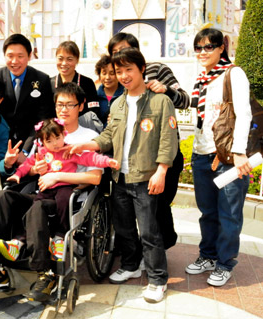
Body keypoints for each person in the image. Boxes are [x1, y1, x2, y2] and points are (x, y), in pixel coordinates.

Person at [0, 82, 103, 302]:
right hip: (42, 193)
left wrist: (57, 176)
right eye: (60, 104)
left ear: (81, 106)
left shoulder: (89, 137)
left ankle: (46, 274)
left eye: (70, 104)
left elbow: (95, 177)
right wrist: (32, 169)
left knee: (38, 206)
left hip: (69, 199)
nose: (64, 108)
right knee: (2, 196)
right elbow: (32, 165)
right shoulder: (45, 133)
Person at [69, 48, 178, 303]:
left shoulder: (160, 101)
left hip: (145, 177)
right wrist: (88, 145)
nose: (124, 76)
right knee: (125, 228)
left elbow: (168, 140)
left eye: (129, 69)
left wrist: (161, 171)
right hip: (120, 177)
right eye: (119, 72)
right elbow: (108, 136)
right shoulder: (118, 103)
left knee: (150, 232)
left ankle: (157, 279)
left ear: (141, 69)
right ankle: (130, 265)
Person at [184, 28, 252, 287]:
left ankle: (225, 263)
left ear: (221, 48)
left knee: (229, 215)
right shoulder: (202, 77)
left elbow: (244, 114)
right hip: (202, 155)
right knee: (207, 212)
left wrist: (238, 152)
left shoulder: (234, 73)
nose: (202, 52)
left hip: (226, 158)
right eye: (198, 48)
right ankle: (208, 256)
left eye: (208, 47)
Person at [108, 32, 188, 250]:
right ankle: (140, 252)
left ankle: (161, 247)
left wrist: (167, 90)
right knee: (135, 210)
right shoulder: (119, 77)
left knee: (159, 205)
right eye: (115, 54)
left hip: (164, 154)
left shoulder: (158, 70)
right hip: (133, 160)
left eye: (124, 50)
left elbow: (185, 99)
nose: (121, 58)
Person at [0, 118, 118, 261]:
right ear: (42, 142)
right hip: (46, 188)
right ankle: (18, 242)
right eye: (49, 141)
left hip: (65, 186)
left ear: (64, 134)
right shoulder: (41, 153)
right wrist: (17, 175)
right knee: (34, 209)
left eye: (57, 138)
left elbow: (90, 158)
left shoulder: (69, 151)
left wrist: (108, 161)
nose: (55, 143)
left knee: (64, 200)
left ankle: (59, 237)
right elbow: (27, 165)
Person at [0, 33, 55, 166]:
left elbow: (44, 119)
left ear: (29, 55)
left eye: (20, 56)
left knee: (30, 184)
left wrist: (26, 151)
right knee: (7, 183)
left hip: (31, 146)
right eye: (10, 56)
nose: (15, 61)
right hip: (4, 145)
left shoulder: (42, 79)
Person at [51, 41, 100, 116]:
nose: (64, 63)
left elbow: (93, 113)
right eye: (60, 59)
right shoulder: (49, 83)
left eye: (69, 59)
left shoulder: (87, 83)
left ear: (77, 60)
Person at [95, 54, 124, 126]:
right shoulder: (95, 96)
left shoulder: (126, 95)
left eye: (112, 73)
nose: (107, 77)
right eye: (104, 73)